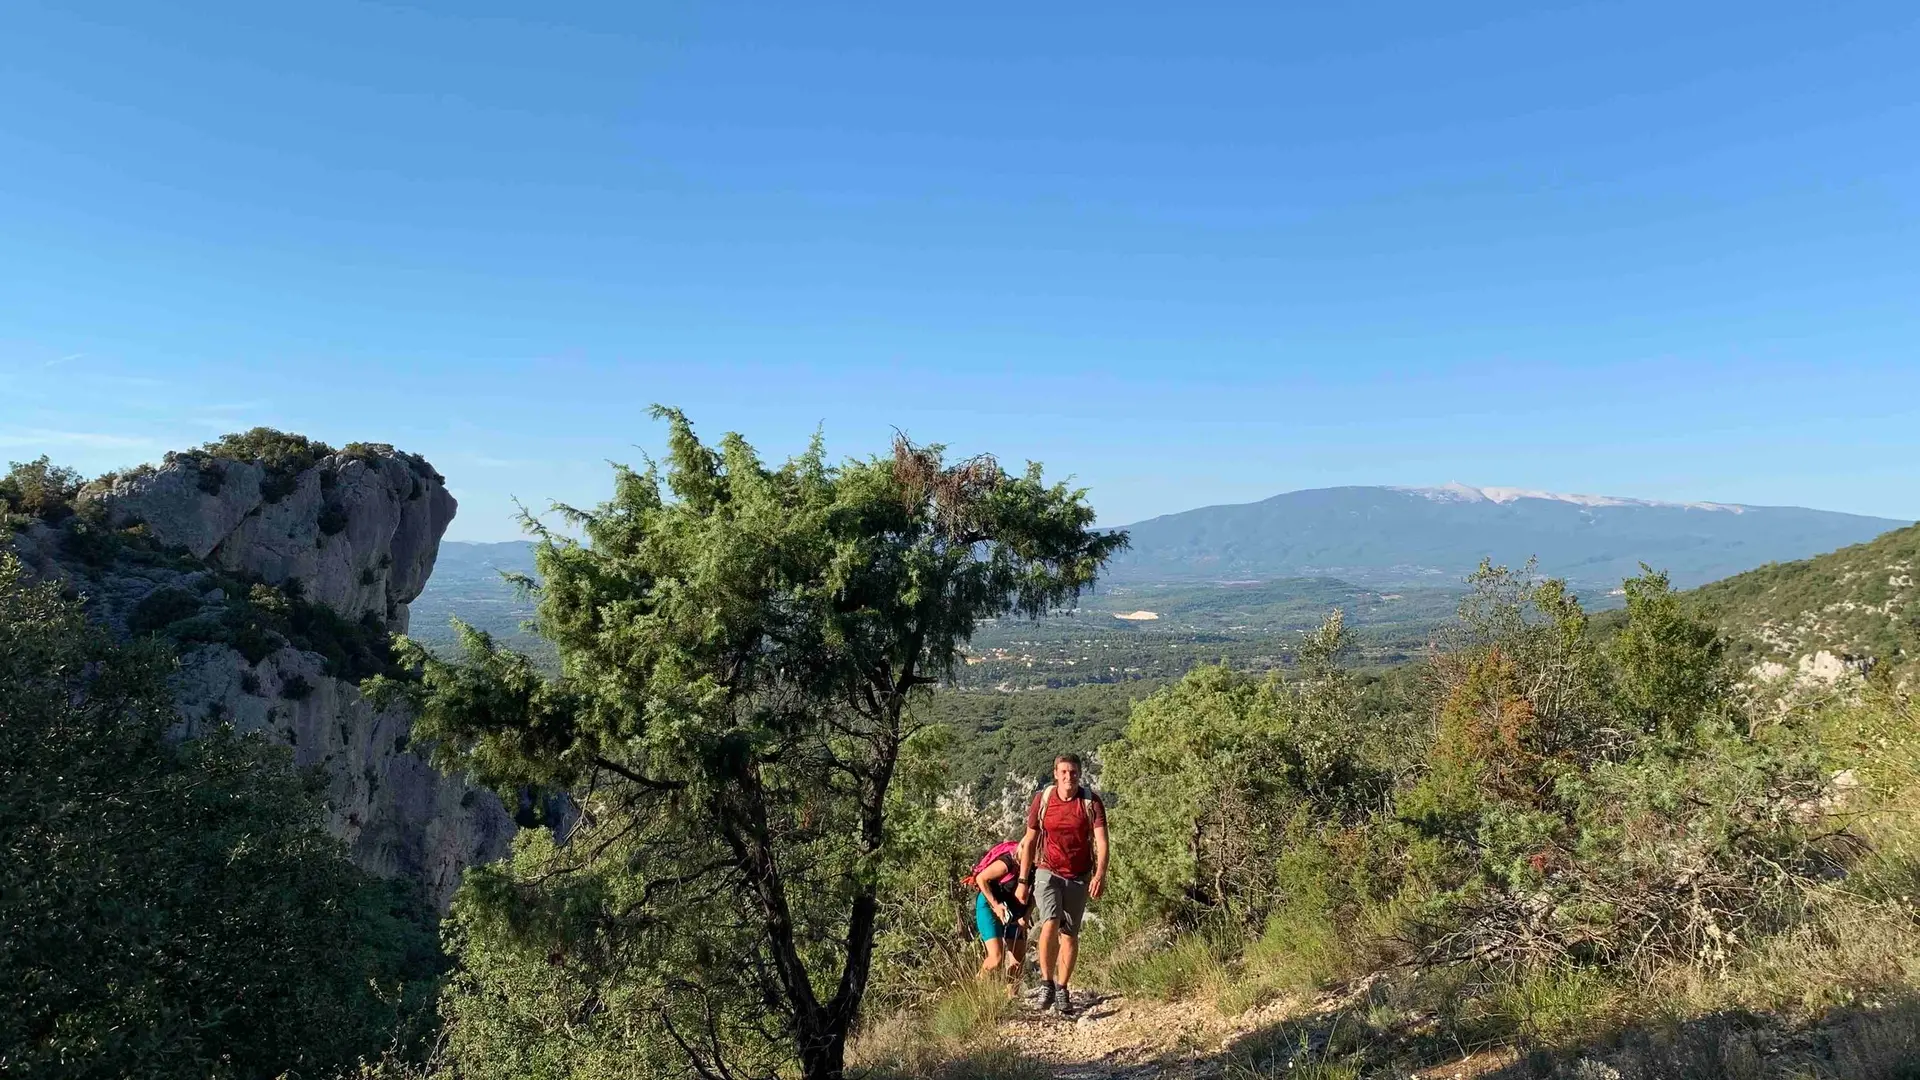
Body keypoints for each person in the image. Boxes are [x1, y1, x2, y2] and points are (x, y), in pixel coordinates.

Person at [1014, 753, 1109, 1018]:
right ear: (1055, 773)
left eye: (1074, 772)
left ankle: (1062, 988)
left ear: (1080, 774)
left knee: (1069, 934)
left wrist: (1100, 875)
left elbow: (1102, 842)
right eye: (1064, 772)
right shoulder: (1043, 800)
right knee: (1050, 922)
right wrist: (1023, 881)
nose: (1069, 777)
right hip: (1047, 869)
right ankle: (1046, 983)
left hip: (1079, 874)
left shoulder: (1091, 802)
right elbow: (1031, 840)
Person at [969, 838, 1028, 991]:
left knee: (1017, 958)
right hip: (989, 905)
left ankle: (1011, 998)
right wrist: (995, 905)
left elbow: (1033, 893)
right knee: (996, 958)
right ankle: (977, 989)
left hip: (1015, 909)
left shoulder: (1035, 868)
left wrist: (1026, 915)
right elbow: (981, 878)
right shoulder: (1007, 863)